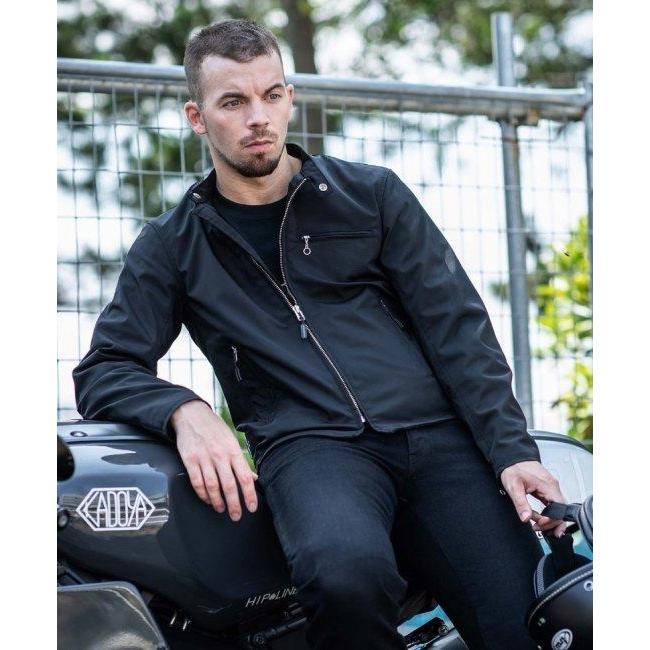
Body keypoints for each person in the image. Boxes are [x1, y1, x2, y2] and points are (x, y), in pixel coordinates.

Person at [73, 19, 569, 649]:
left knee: (525, 619)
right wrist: (184, 410)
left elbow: (459, 332)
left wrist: (512, 451)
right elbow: (105, 366)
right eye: (234, 102)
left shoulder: (371, 195)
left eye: (271, 95)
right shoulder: (173, 244)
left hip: (438, 439)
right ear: (198, 118)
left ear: (290, 98)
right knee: (343, 576)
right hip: (311, 451)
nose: (258, 117)